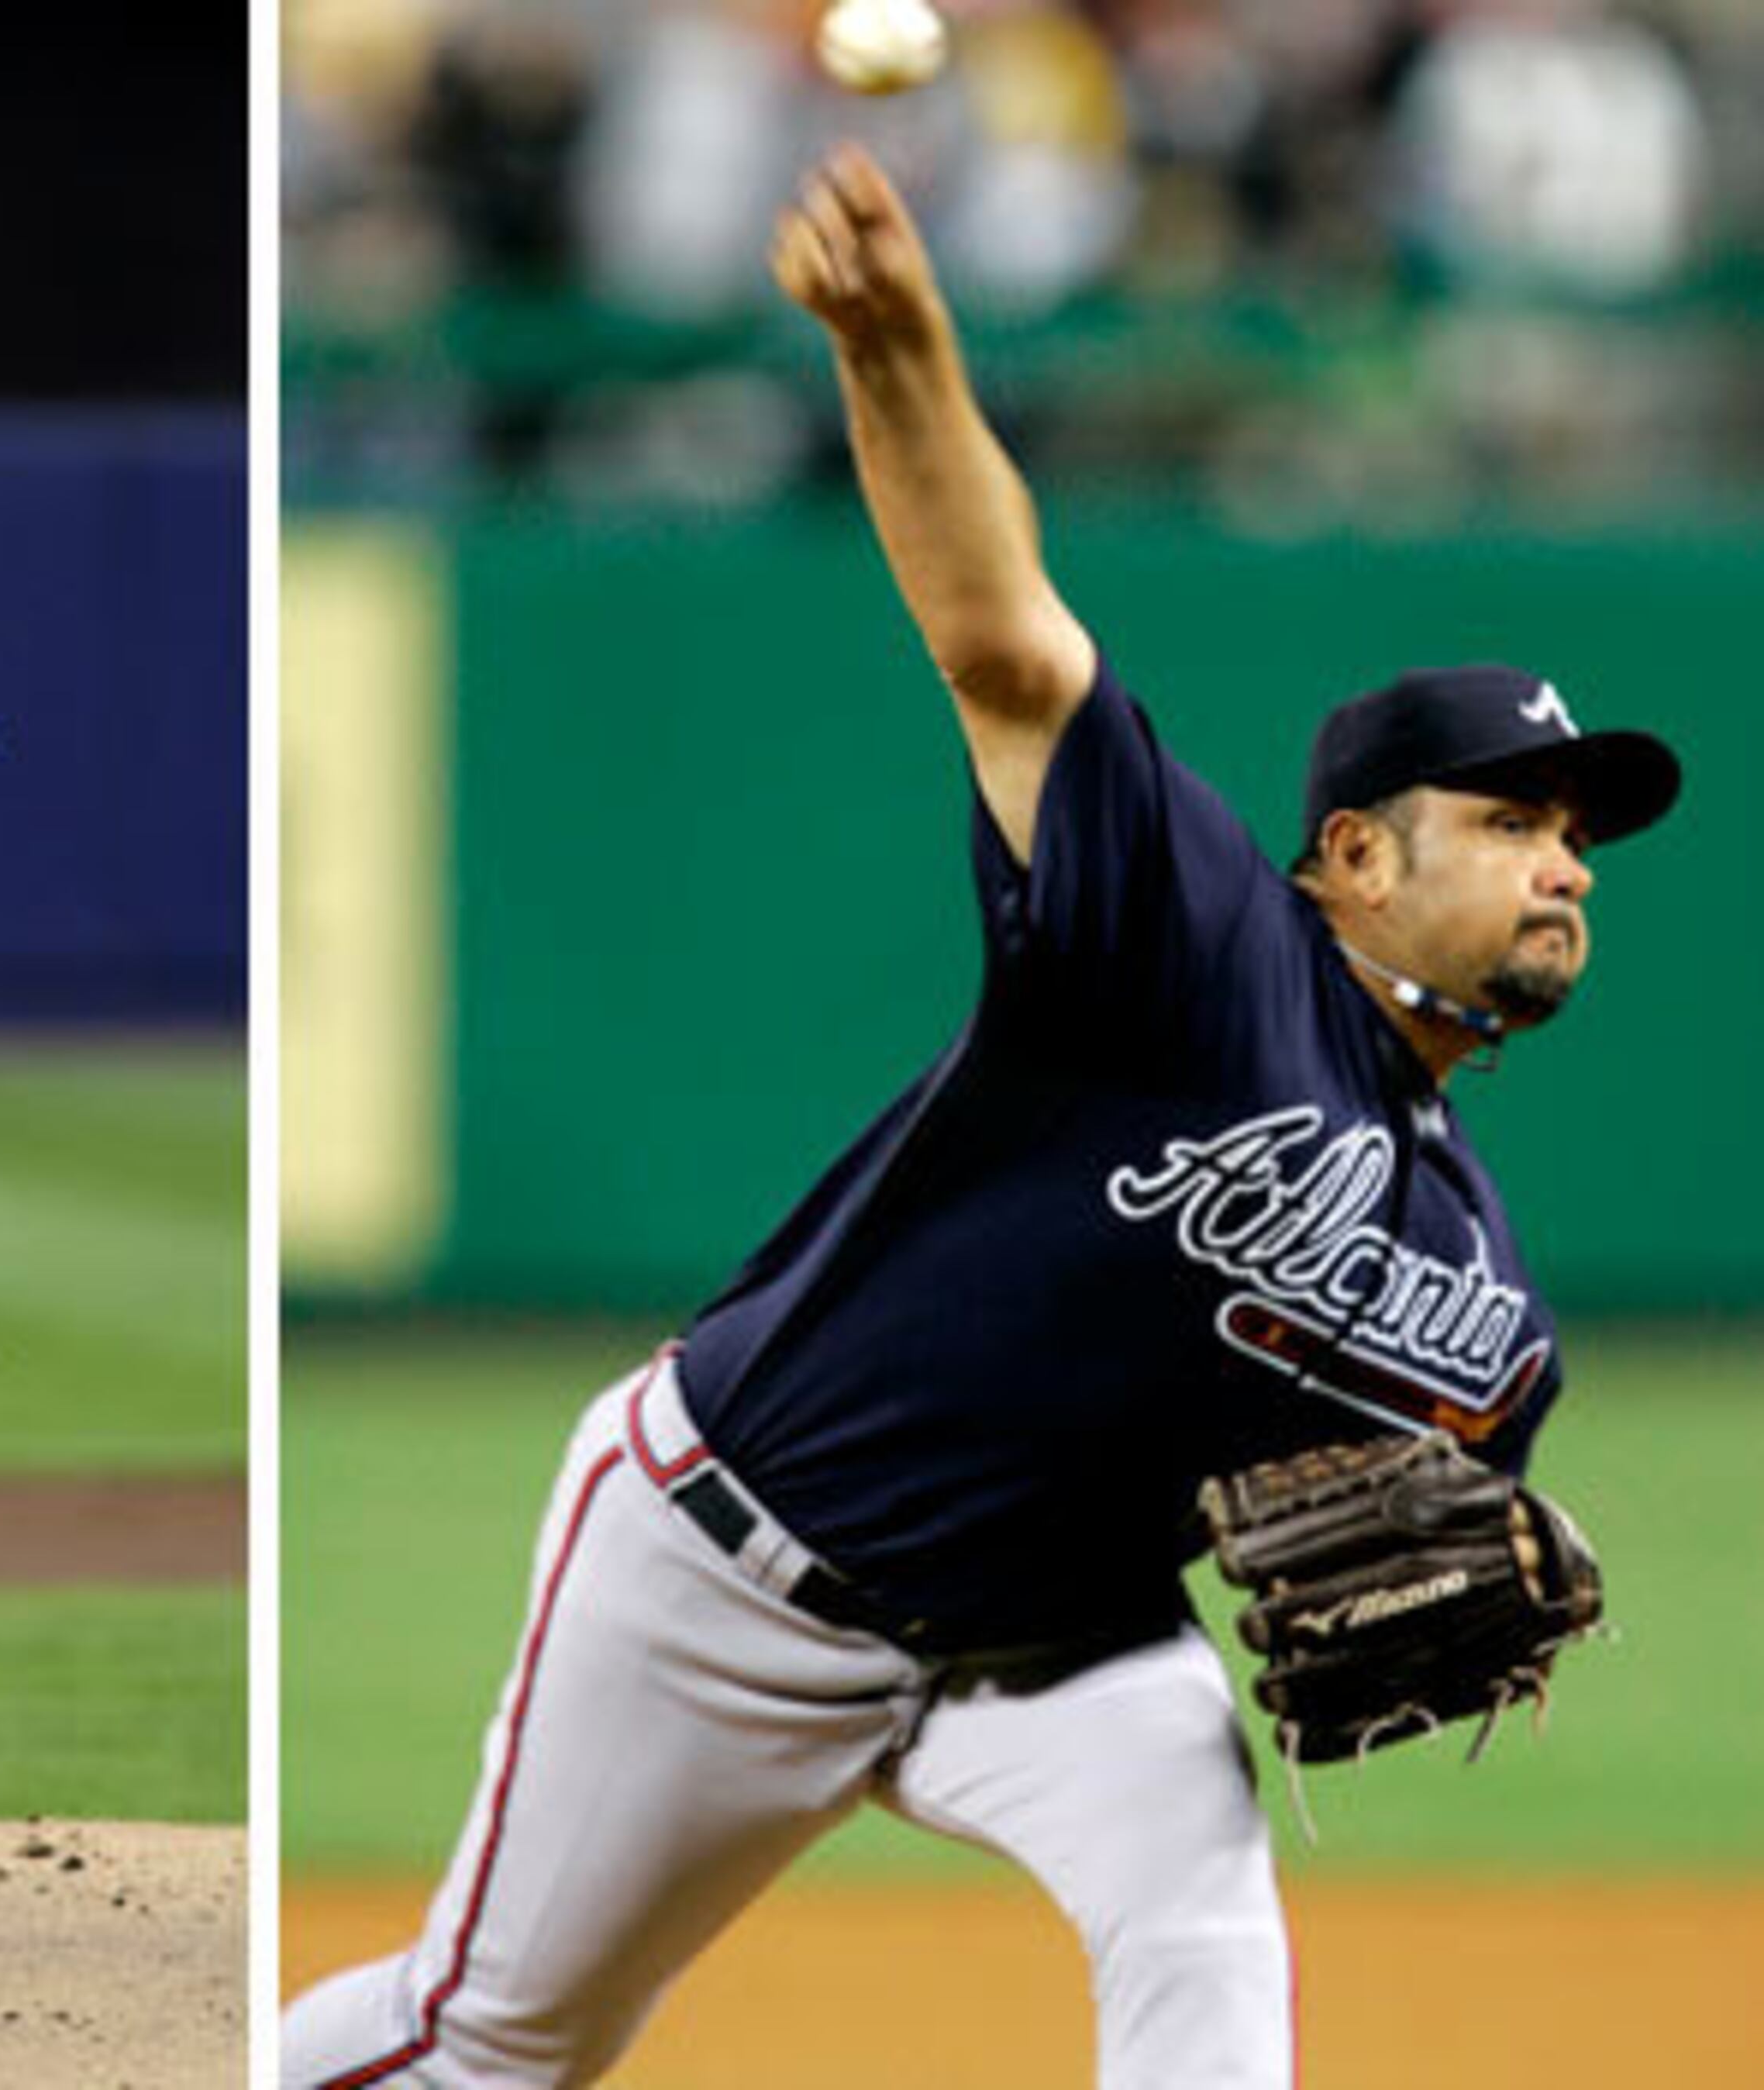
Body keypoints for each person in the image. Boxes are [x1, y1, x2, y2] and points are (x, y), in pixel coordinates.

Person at [279, 143, 1678, 2090]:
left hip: (1052, 1646)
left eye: (1579, 837)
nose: (1565, 868)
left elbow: (1399, 1528)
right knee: (491, 2043)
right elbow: (1011, 644)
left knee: (1203, 1925)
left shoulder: (1485, 1296)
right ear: (1352, 854)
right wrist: (900, 351)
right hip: (726, 1562)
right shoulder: (1190, 935)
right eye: (1514, 821)